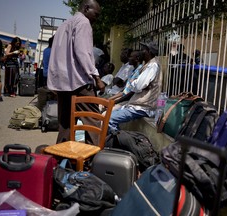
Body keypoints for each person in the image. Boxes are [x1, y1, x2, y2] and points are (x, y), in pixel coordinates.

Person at [47, 0, 105, 145]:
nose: (96, 19)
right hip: (79, 83)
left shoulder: (65, 24)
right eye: (96, 14)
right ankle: (93, 160)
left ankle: (61, 159)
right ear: (86, 8)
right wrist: (97, 78)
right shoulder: (83, 22)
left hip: (62, 84)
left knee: (65, 124)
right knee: (92, 121)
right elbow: (83, 53)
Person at [108, 41, 162, 133]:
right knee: (108, 116)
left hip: (143, 107)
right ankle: (114, 139)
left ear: (149, 52)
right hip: (136, 105)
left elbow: (138, 86)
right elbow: (137, 86)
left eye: (143, 50)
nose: (141, 52)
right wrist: (135, 84)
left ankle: (118, 141)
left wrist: (134, 83)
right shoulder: (148, 65)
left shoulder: (152, 65)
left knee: (110, 119)